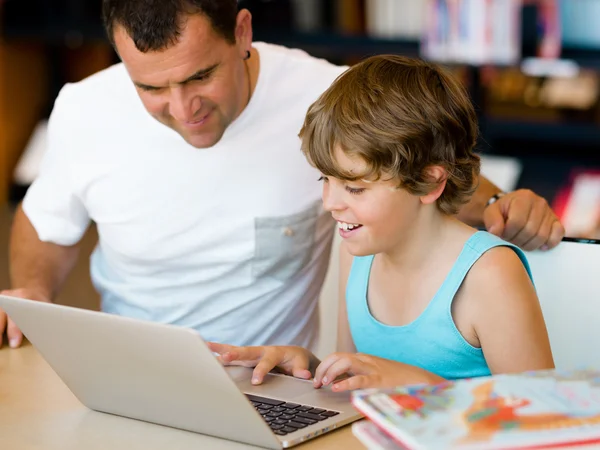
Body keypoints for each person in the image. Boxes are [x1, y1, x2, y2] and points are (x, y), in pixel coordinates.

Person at [0, 0, 564, 350]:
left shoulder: (324, 100)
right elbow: (46, 226)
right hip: (131, 368)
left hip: (272, 382)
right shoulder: (85, 107)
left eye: (200, 76)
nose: (181, 106)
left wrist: (509, 205)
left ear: (242, 32)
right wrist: (33, 290)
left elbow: (430, 181)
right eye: (149, 87)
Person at [208, 55, 555, 391]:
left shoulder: (489, 274)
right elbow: (359, 378)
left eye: (355, 188)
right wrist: (305, 368)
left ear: (430, 182)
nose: (330, 203)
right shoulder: (357, 253)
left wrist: (415, 385)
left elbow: (539, 419)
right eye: (325, 180)